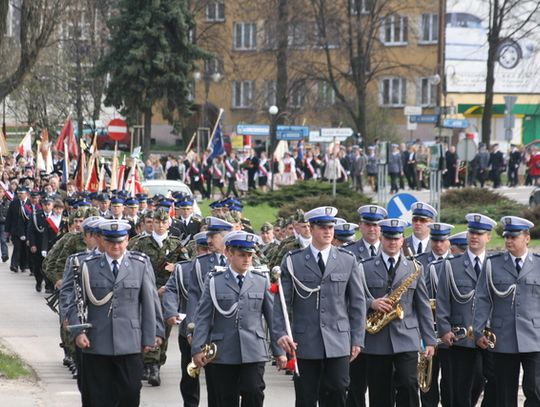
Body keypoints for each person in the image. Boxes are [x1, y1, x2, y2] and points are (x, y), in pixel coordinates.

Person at [273, 206, 366, 407]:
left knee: (339, 389)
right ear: (311, 228)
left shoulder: (347, 260)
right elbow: (281, 301)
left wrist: (357, 338)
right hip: (305, 340)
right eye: (322, 227)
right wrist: (281, 332)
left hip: (339, 340)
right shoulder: (293, 261)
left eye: (331, 227)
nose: (328, 231)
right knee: (306, 396)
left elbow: (358, 303)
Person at [66, 219, 163, 407]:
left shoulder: (140, 264)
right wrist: (78, 332)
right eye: (111, 242)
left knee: (130, 393)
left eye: (120, 241)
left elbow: (150, 302)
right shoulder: (88, 266)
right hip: (97, 342)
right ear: (102, 241)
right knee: (97, 397)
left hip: (130, 342)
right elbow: (74, 302)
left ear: (127, 240)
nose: (116, 246)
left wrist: (152, 335)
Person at [191, 231, 281, 407]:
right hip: (223, 351)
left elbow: (273, 318)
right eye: (242, 255)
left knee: (254, 391)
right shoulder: (214, 281)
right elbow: (203, 317)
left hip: (254, 349)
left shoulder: (261, 280)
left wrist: (279, 351)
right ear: (229, 254)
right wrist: (197, 349)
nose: (247, 259)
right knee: (226, 397)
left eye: (250, 255)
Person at [361, 218, 436, 407]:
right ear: (381, 237)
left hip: (407, 337)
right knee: (379, 390)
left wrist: (429, 340)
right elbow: (354, 299)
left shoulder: (415, 267)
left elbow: (423, 306)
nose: (392, 242)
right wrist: (372, 303)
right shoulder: (365, 267)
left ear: (403, 240)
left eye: (396, 238)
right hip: (377, 339)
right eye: (388, 237)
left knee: (409, 384)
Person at [473, 216, 539, 407]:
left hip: (535, 337)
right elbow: (483, 298)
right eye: (506, 237)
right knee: (504, 392)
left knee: (535, 388)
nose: (509, 240)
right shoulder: (493, 264)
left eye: (514, 236)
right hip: (503, 337)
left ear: (527, 238)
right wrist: (478, 331)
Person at [437, 213, 497, 407]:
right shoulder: (451, 266)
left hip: (490, 336)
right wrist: (444, 329)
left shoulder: (496, 264)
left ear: (488, 237)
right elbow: (443, 299)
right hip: (461, 337)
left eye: (480, 233)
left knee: (489, 383)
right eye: (472, 232)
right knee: (460, 388)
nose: (474, 236)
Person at [415, 222, 454, 407]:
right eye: (435, 240)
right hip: (426, 328)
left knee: (450, 379)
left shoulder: (456, 262)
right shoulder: (418, 262)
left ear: (449, 241)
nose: (438, 245)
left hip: (448, 328)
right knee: (426, 379)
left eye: (443, 241)